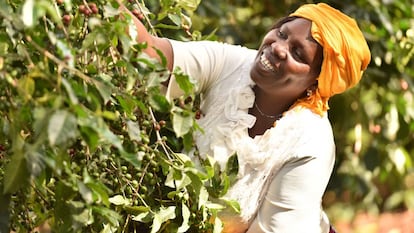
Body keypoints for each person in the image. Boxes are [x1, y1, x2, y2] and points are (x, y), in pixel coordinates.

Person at [120, 2, 371, 233]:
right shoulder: (233, 64)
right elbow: (151, 56)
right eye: (282, 34)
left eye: (298, 54)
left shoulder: (310, 143)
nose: (278, 48)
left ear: (316, 83)